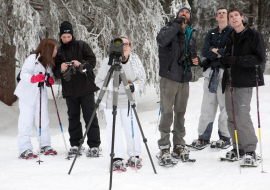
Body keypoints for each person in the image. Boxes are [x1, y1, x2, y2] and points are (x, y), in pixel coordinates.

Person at [220, 8, 265, 164]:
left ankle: (250, 150)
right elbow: (227, 58)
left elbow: (259, 58)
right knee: (231, 117)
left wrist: (237, 60)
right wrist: (224, 60)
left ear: (242, 18)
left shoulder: (253, 35)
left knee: (242, 116)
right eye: (230, 17)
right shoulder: (229, 36)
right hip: (230, 81)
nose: (233, 18)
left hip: (245, 82)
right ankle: (237, 147)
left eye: (235, 16)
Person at [95, 36, 146, 171]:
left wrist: (134, 85)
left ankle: (134, 154)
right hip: (111, 100)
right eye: (121, 44)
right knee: (114, 128)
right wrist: (112, 85)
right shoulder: (108, 61)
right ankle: (117, 157)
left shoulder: (134, 61)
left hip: (129, 100)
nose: (124, 47)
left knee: (131, 127)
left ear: (130, 46)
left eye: (127, 44)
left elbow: (142, 78)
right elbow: (98, 81)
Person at [156, 7, 199, 164]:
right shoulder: (169, 28)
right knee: (167, 113)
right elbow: (161, 40)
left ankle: (179, 144)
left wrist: (195, 61)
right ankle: (164, 146)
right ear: (177, 15)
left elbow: (191, 55)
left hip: (184, 78)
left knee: (180, 113)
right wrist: (176, 25)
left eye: (187, 13)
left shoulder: (190, 34)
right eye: (182, 12)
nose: (184, 14)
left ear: (190, 17)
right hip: (169, 77)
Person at [53, 21, 101, 156]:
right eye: (63, 37)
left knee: (90, 116)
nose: (66, 39)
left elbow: (92, 62)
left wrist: (81, 64)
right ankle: (75, 144)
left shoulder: (82, 45)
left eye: (68, 36)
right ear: (60, 37)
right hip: (70, 90)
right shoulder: (59, 51)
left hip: (86, 88)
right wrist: (61, 69)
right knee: (73, 118)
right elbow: (55, 72)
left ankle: (94, 145)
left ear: (72, 35)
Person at [191, 7, 232, 149]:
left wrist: (214, 50)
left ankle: (225, 137)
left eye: (224, 13)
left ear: (227, 17)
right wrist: (217, 52)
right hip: (210, 73)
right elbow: (204, 52)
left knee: (225, 107)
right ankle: (203, 137)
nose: (221, 15)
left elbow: (228, 53)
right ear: (216, 17)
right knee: (207, 106)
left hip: (225, 73)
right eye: (219, 13)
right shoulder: (211, 33)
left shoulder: (232, 33)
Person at [14, 38, 57, 159]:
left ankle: (45, 145)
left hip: (40, 93)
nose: (56, 51)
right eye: (54, 49)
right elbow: (23, 74)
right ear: (48, 49)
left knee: (43, 119)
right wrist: (33, 78)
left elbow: (46, 75)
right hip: (27, 94)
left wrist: (48, 80)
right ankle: (24, 148)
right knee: (26, 120)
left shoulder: (48, 61)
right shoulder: (33, 58)